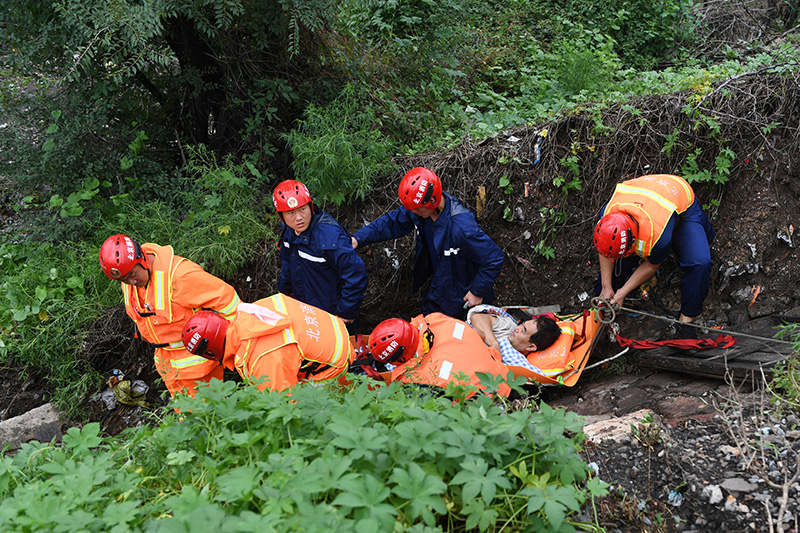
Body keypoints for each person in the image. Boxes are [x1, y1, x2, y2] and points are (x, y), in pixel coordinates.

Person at [351, 167, 504, 320]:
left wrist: (477, 291)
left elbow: (493, 258)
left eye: (417, 209)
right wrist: (358, 239)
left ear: (432, 201)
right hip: (441, 285)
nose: (414, 212)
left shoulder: (461, 228)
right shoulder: (422, 212)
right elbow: (392, 223)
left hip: (462, 293)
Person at [99, 234, 241, 398]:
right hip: (168, 366)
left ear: (142, 260)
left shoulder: (180, 276)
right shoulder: (129, 283)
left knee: (207, 417)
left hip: (198, 364)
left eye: (132, 275)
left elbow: (229, 302)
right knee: (186, 417)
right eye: (123, 279)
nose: (131, 282)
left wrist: (236, 346)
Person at [593, 174, 715, 331]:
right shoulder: (607, 216)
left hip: (680, 204)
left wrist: (622, 292)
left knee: (699, 263)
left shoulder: (657, 235)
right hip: (646, 194)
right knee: (617, 271)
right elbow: (605, 251)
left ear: (633, 241)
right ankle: (602, 304)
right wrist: (606, 286)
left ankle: (686, 321)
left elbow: (652, 264)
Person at [182, 293, 353, 391]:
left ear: (210, 353)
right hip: (332, 329)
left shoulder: (261, 359)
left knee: (301, 400)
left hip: (335, 364)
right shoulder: (252, 313)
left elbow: (283, 403)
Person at [274, 179, 367, 334]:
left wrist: (345, 313)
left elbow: (356, 273)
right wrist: (282, 296)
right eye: (291, 213)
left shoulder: (329, 237)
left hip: (332, 315)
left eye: (302, 209)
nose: (298, 218)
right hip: (306, 312)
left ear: (311, 207)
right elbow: (287, 266)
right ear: (281, 216)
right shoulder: (289, 233)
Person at [365, 313, 511, 398]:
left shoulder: (415, 380)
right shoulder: (435, 320)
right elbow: (479, 335)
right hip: (504, 375)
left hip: (491, 400)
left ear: (399, 359)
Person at [466, 304, 561, 371]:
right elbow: (478, 317)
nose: (517, 328)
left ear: (531, 347)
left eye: (523, 330)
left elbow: (536, 378)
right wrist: (493, 344)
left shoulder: (518, 361)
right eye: (522, 324)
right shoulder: (509, 326)